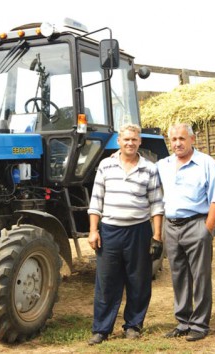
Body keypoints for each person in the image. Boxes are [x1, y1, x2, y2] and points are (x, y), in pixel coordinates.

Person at [86, 123, 164, 345]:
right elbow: (96, 201)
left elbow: (156, 204)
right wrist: (93, 231)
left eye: (134, 140)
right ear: (118, 141)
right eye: (126, 139)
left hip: (139, 231)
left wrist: (157, 236)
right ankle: (101, 329)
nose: (130, 143)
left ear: (140, 142)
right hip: (110, 231)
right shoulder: (105, 165)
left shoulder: (150, 168)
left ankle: (134, 325)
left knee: (138, 281)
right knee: (107, 282)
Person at [157, 123, 215, 342]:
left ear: (192, 140)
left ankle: (200, 324)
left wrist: (207, 229)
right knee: (178, 275)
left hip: (197, 224)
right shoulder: (163, 165)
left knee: (201, 276)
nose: (177, 143)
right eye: (174, 139)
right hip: (171, 226)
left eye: (182, 139)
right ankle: (183, 321)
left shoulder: (206, 163)